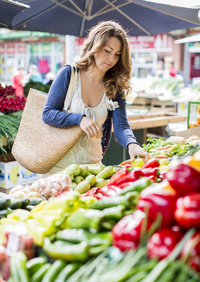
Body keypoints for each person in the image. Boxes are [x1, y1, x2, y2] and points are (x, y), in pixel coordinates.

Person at [42, 21, 149, 176]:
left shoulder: (114, 87)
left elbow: (121, 126)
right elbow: (48, 114)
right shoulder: (70, 74)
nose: (112, 59)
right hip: (58, 167)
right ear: (95, 46)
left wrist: (132, 144)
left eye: (117, 54)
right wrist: (79, 119)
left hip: (93, 168)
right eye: (107, 50)